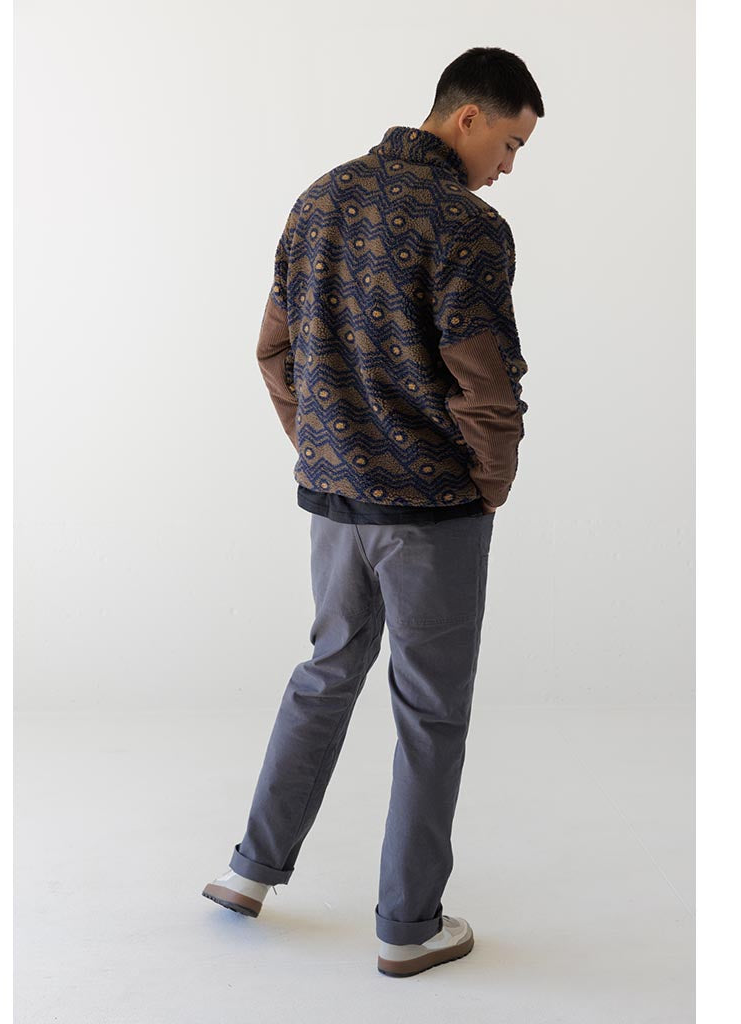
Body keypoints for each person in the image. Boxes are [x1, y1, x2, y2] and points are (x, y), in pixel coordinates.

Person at [202, 45, 544, 977]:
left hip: (335, 504)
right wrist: (489, 486)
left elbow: (274, 351)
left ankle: (249, 872)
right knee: (430, 712)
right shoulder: (468, 226)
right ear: (467, 117)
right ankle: (408, 924)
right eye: (510, 145)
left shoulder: (319, 199)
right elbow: (486, 385)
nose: (507, 168)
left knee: (324, 674)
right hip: (432, 514)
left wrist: (325, 446)